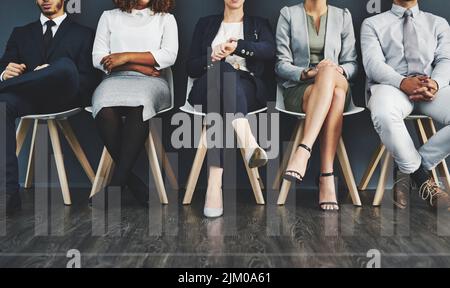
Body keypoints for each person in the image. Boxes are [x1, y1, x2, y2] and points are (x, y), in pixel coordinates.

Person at [0, 0, 99, 214]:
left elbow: (90, 79)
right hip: (28, 97)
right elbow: (6, 63)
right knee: (2, 105)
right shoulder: (21, 33)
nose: (45, 0)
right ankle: (9, 194)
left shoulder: (84, 34)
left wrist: (51, 73)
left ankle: (51, 72)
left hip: (64, 96)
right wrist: (5, 72)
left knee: (63, 66)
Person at [187, 0, 275, 218]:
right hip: (205, 87)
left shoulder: (258, 24)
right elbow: (190, 66)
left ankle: (214, 184)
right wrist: (211, 57)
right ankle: (247, 140)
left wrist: (238, 47)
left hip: (245, 89)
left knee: (222, 98)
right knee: (222, 70)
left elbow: (269, 51)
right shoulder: (205, 24)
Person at [361, 0, 450, 209]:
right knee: (383, 113)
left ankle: (408, 168)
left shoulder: (438, 23)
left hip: (430, 87)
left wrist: (435, 83)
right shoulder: (372, 23)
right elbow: (373, 64)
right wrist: (402, 82)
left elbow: (446, 60)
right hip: (391, 86)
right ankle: (421, 178)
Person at [91, 0, 178, 205]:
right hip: (114, 80)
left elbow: (168, 55)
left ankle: (115, 186)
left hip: (153, 81)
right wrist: (139, 67)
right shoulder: (109, 17)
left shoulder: (166, 19)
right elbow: (97, 57)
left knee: (140, 105)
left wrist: (125, 56)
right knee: (103, 105)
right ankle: (130, 182)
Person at [275, 0, 358, 211]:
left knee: (330, 74)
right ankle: (326, 176)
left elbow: (352, 64)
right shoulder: (289, 14)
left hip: (336, 77)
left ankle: (304, 150)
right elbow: (281, 64)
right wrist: (310, 72)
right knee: (337, 96)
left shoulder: (343, 16)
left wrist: (331, 70)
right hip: (301, 89)